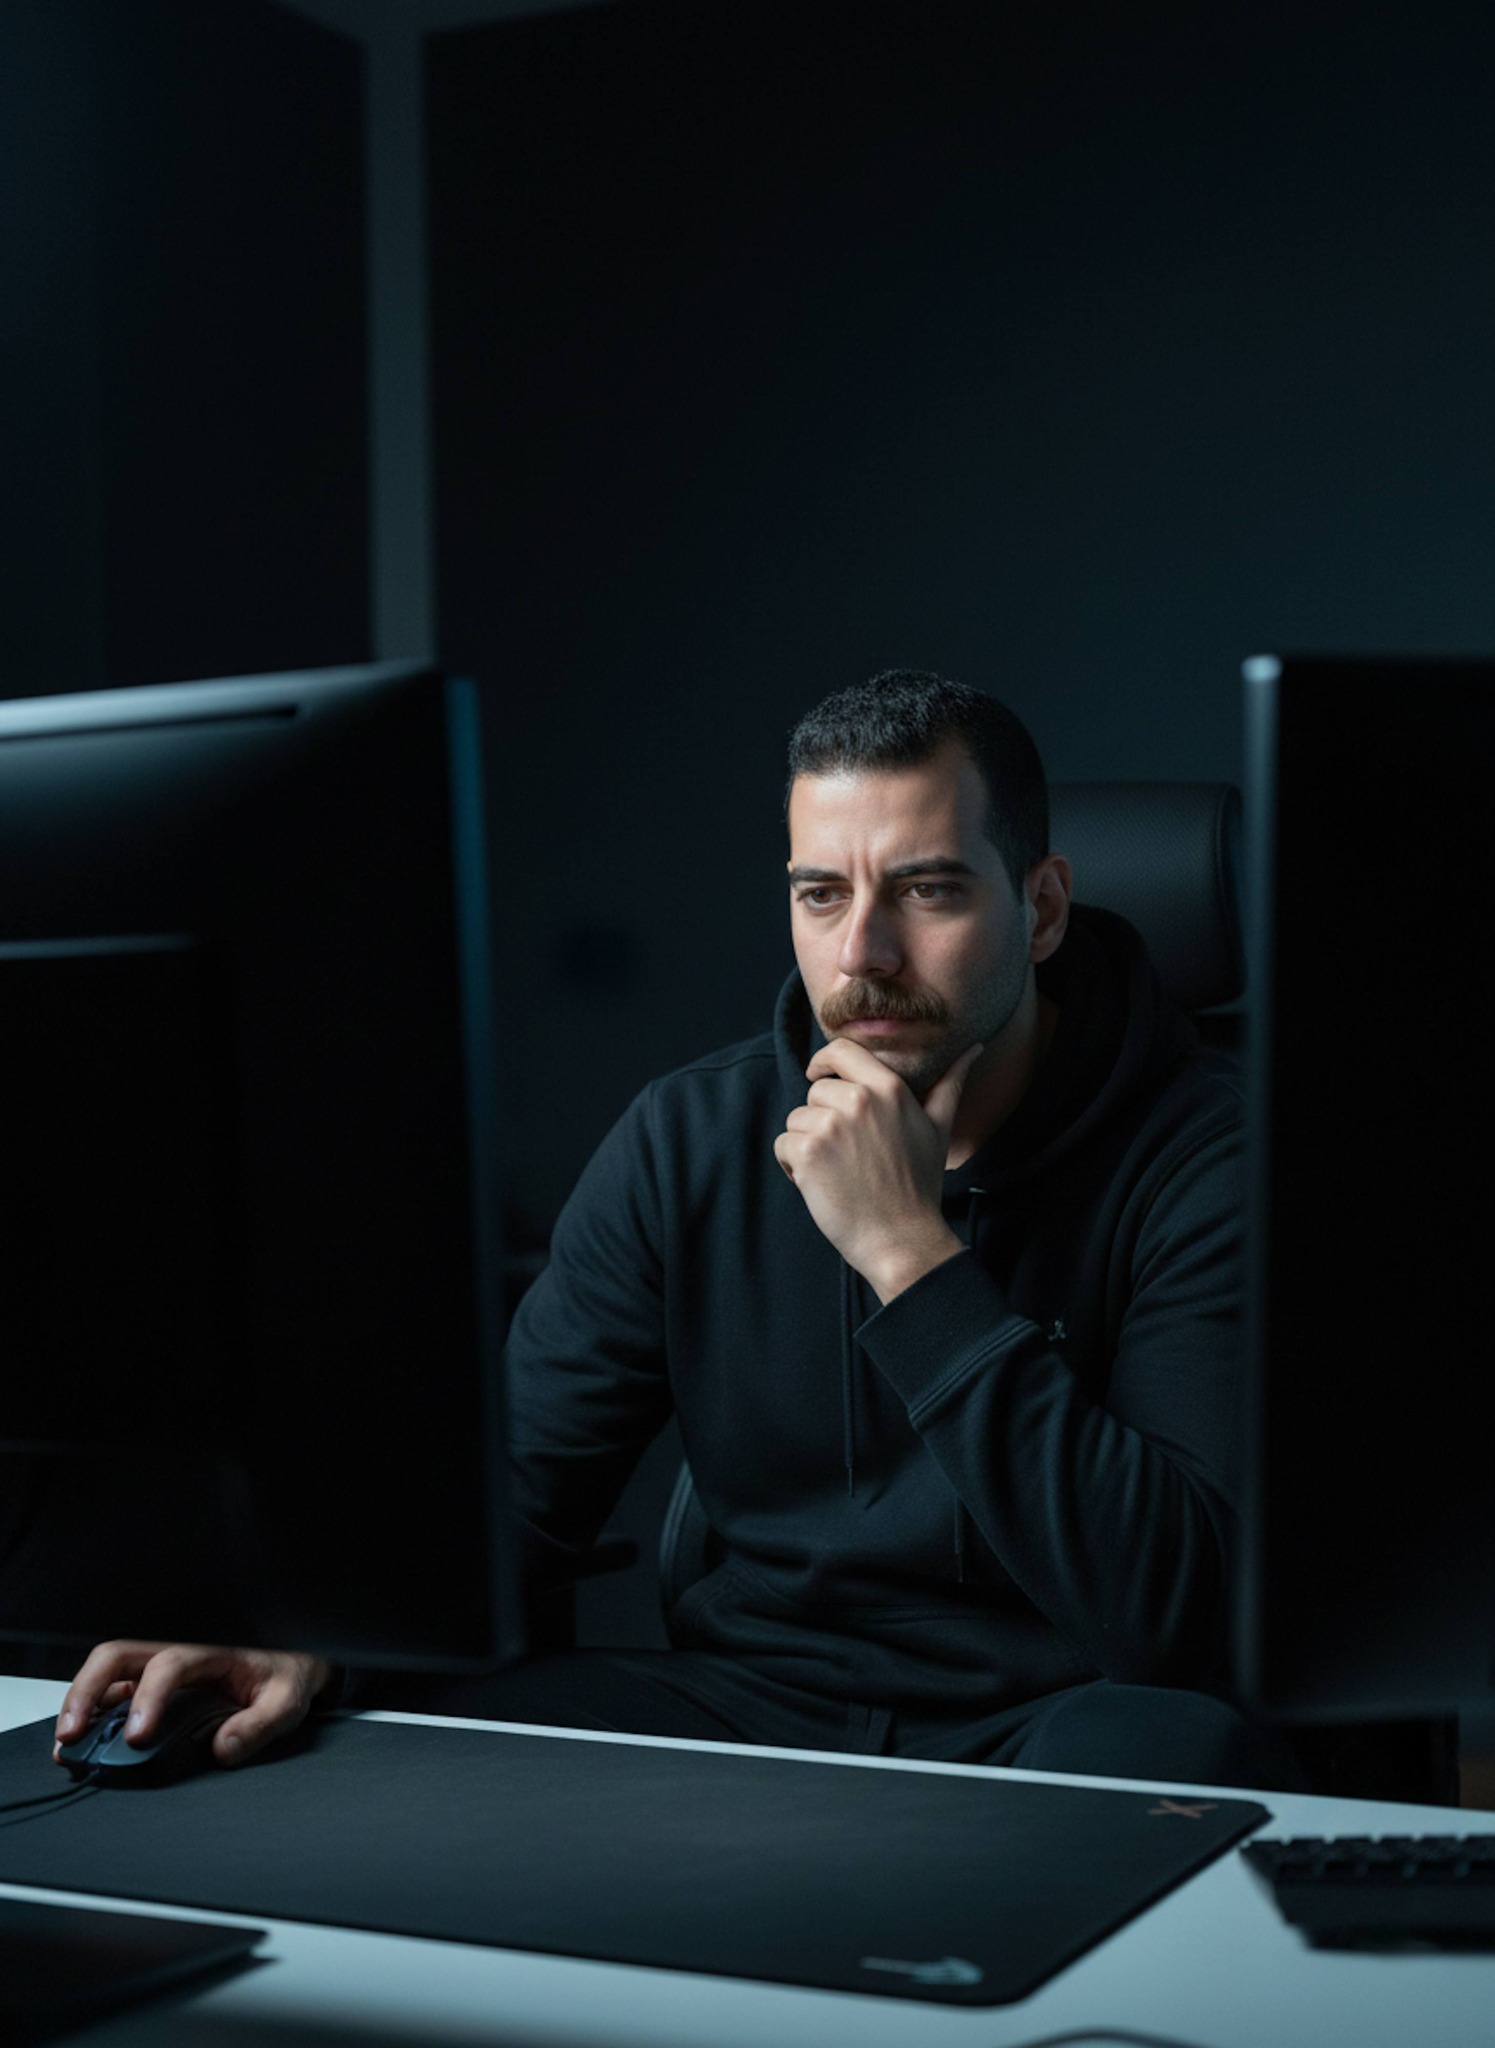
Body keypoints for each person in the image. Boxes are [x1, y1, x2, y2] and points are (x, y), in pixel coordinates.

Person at [55, 671, 1299, 1789]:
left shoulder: (1211, 1155)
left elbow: (1171, 1615)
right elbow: (519, 1490)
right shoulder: (688, 1137)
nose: (861, 953)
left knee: (1181, 1751)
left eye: (925, 889)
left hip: (1061, 1715)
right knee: (380, 1736)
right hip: (747, 1704)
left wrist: (907, 1255)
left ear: (1039, 909)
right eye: (821, 893)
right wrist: (301, 1620)